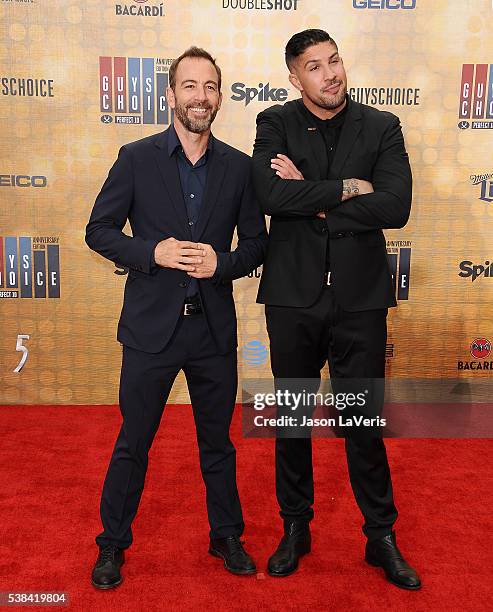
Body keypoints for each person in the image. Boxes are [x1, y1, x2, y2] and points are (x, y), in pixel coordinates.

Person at [86, 46, 267, 589]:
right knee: (133, 441)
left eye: (210, 86)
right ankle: (112, 545)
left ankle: (226, 535)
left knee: (218, 442)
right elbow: (98, 230)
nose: (200, 97)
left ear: (219, 96)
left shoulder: (239, 167)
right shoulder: (136, 157)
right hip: (150, 331)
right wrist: (151, 252)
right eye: (189, 86)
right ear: (170, 95)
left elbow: (257, 245)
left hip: (211, 330)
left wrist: (224, 264)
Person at [252, 29, 421, 590]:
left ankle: (381, 536)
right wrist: (348, 188)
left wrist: (316, 198)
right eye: (315, 67)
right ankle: (295, 528)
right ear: (295, 77)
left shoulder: (382, 126)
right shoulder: (273, 123)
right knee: (294, 420)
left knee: (362, 422)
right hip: (293, 296)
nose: (331, 74)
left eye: (335, 61)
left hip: (359, 299)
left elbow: (395, 205)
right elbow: (272, 197)